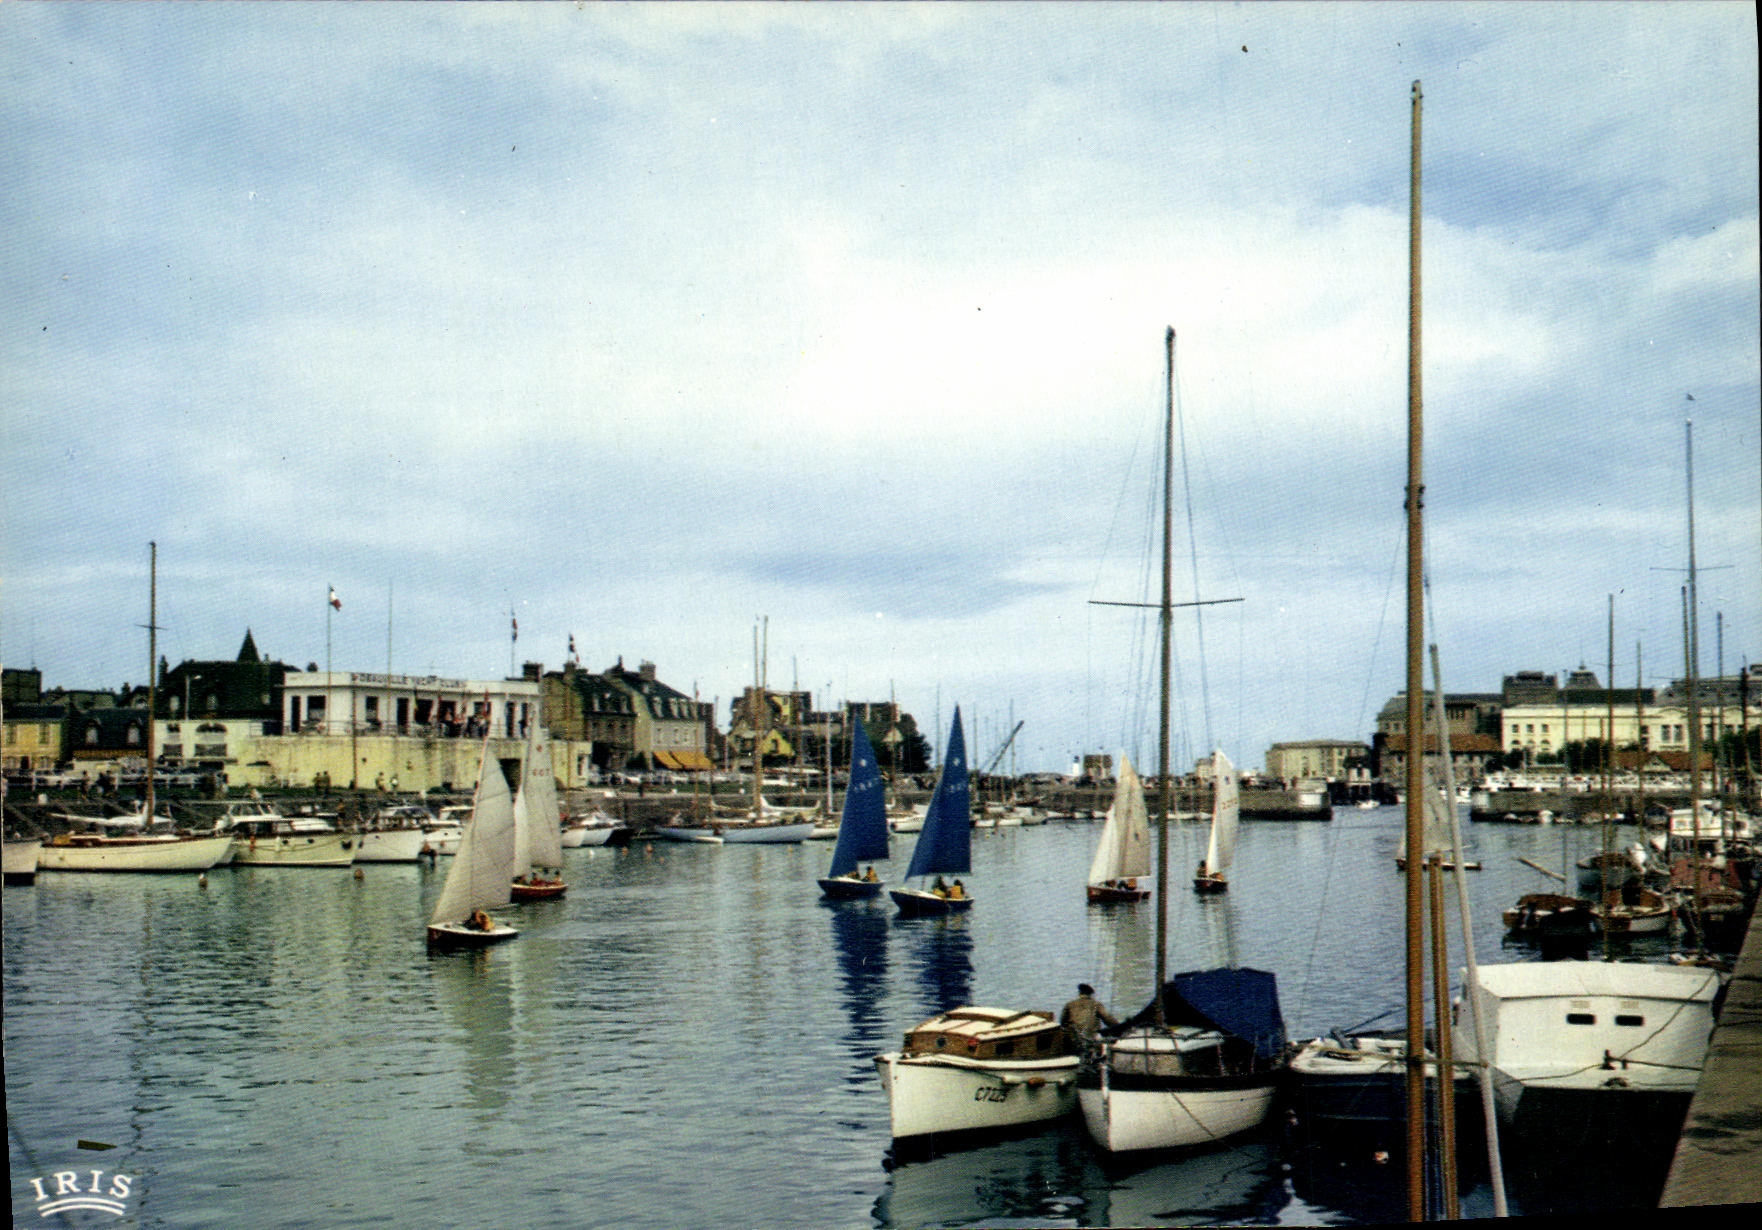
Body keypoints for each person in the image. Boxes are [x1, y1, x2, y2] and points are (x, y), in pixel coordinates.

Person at [1061, 983, 1118, 1048]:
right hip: (1090, 1040)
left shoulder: (1069, 1005)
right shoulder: (1096, 1005)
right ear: (1091, 995)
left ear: (1079, 993)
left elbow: (1063, 1023)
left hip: (1073, 1040)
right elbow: (1108, 1019)